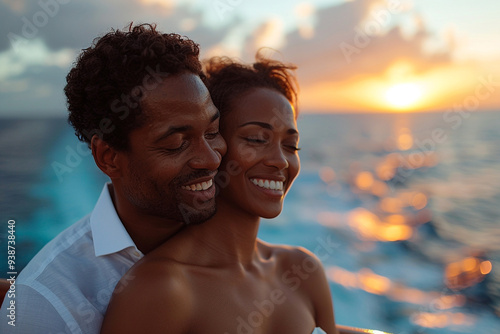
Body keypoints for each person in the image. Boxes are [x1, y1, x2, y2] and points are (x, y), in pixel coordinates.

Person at [0, 23, 226, 334]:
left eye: (213, 132)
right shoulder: (47, 303)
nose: (212, 158)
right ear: (108, 157)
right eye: (176, 143)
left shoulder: (234, 239)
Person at [100, 55, 339, 334]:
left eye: (291, 145)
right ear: (213, 143)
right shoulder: (160, 288)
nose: (281, 161)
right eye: (256, 139)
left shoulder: (303, 270)